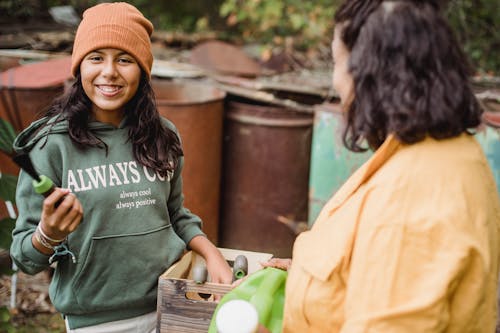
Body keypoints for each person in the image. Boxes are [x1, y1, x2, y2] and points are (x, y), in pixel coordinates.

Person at [262, 0, 500, 332]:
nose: (336, 83)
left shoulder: (412, 201)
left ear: (368, 75)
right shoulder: (437, 153)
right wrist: (307, 277)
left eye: (337, 63)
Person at [10, 2, 232, 332]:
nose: (109, 72)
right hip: (95, 322)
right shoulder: (50, 145)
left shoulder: (162, 135)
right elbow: (24, 257)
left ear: (142, 70)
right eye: (96, 57)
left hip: (168, 305)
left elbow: (174, 215)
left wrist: (212, 254)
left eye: (125, 59)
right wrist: (48, 234)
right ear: (79, 66)